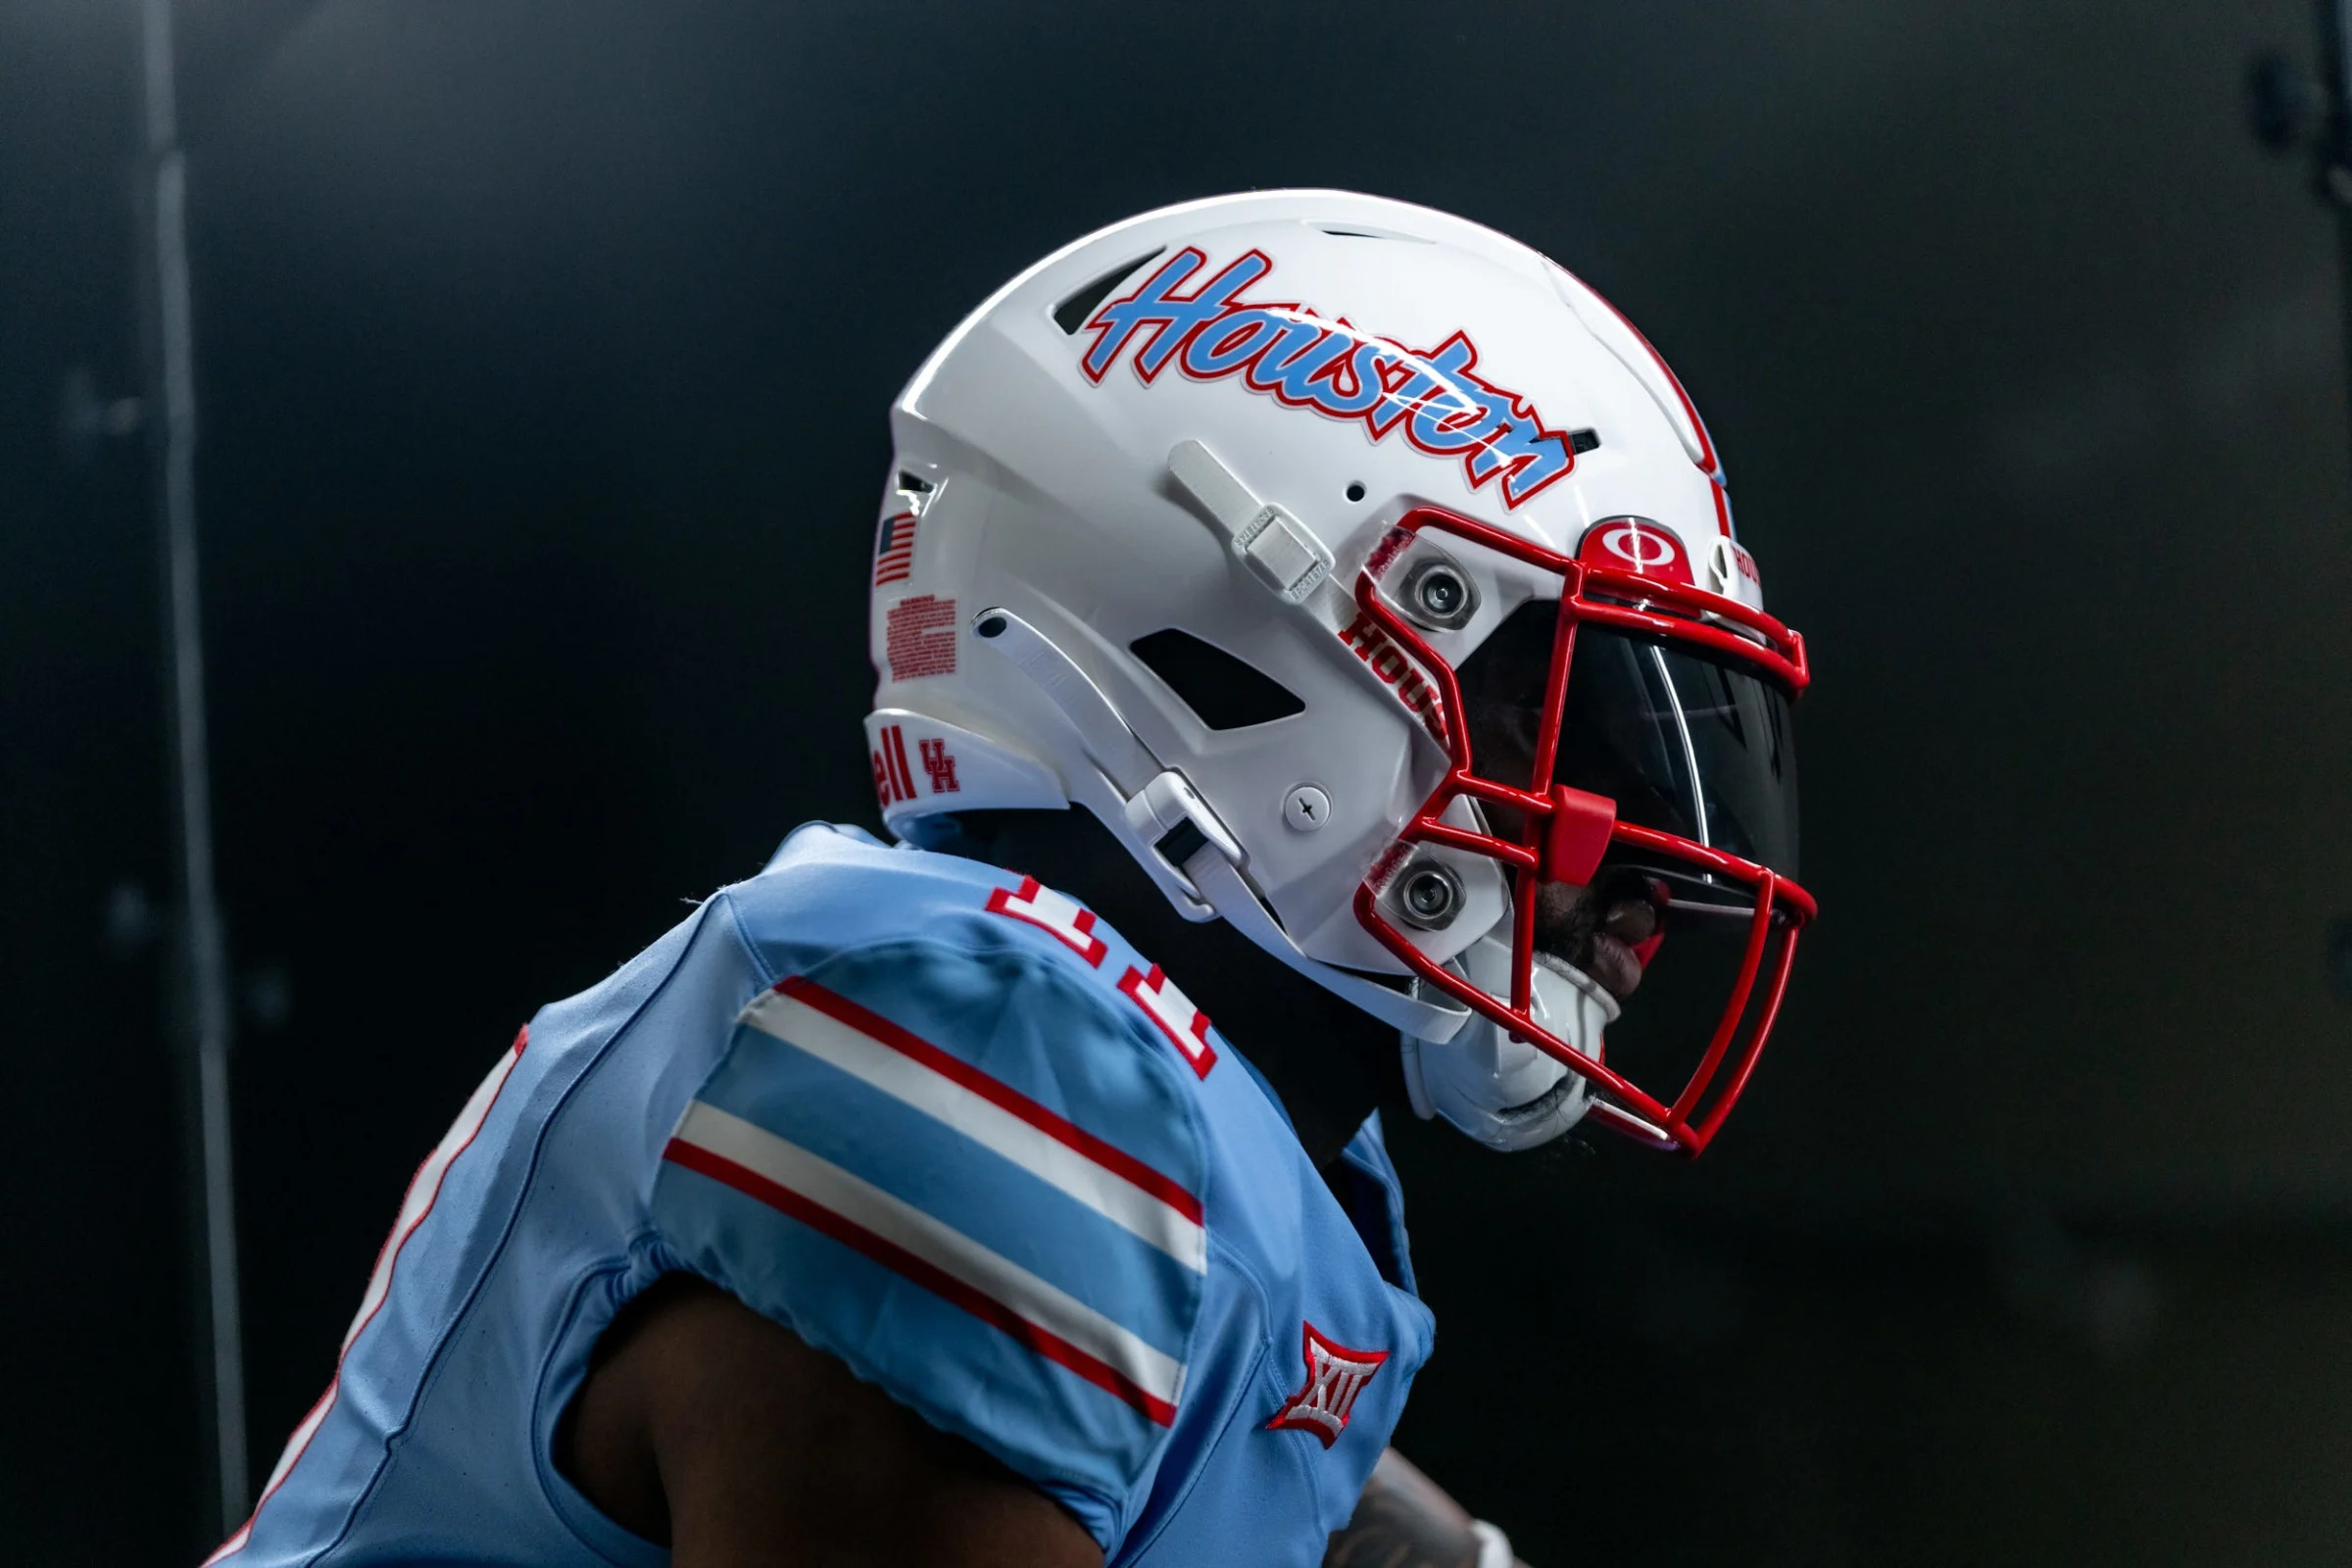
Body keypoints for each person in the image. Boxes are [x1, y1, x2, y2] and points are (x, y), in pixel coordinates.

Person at [206, 190, 1813, 1568]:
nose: (1628, 865)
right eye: (1558, 715)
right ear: (1240, 636)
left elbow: (1214, 1400)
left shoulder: (1170, 1092)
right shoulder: (988, 1048)